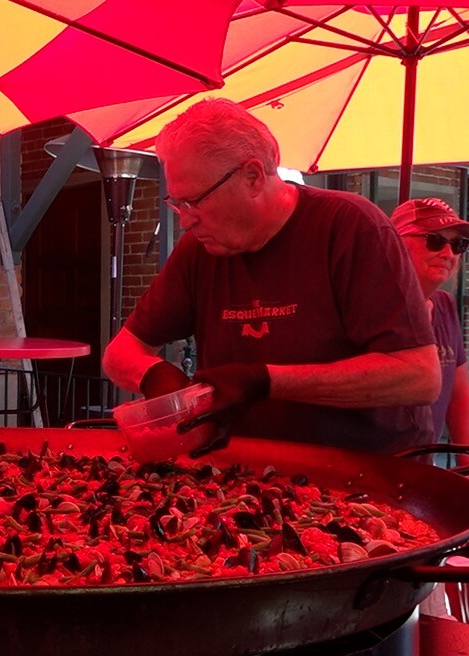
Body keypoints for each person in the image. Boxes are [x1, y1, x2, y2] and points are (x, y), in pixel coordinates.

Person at [102, 98, 439, 455]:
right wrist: (155, 376)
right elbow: (119, 354)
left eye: (195, 202)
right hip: (245, 471)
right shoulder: (199, 250)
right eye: (177, 203)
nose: (185, 220)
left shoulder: (350, 225)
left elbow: (418, 376)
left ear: (253, 177)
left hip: (365, 472)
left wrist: (266, 381)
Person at [389, 198, 469, 449]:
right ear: (395, 243)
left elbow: (459, 394)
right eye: (435, 241)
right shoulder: (373, 307)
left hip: (424, 466)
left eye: (458, 245)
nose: (448, 253)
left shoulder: (444, 304)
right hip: (374, 469)